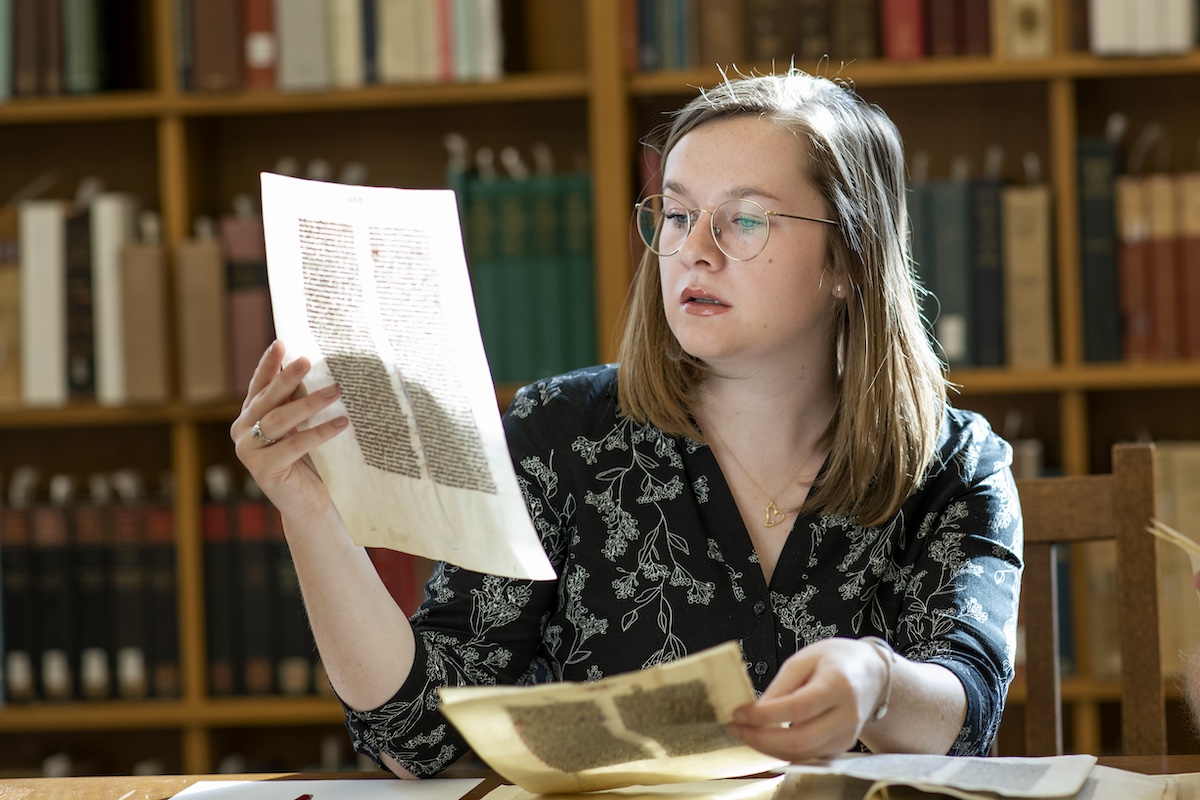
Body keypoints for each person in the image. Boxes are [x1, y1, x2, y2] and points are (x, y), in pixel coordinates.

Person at [232, 68, 1023, 777]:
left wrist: (877, 684)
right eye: (676, 215)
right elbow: (417, 736)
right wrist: (307, 512)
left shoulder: (955, 463)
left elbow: (966, 717)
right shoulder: (560, 435)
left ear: (848, 259)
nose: (694, 252)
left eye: (744, 221)